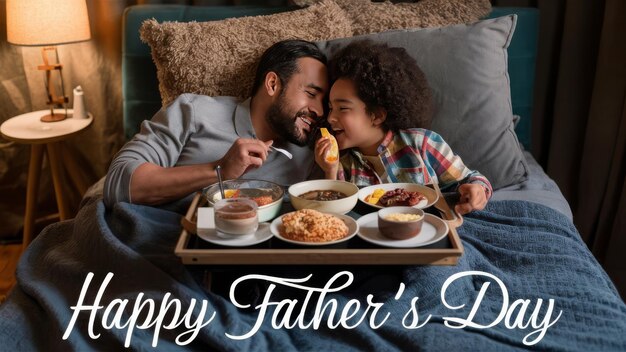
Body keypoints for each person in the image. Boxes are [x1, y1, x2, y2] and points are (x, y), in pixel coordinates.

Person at [104, 40, 328, 206]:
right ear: (272, 84)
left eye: (324, 102)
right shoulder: (193, 111)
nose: (319, 110)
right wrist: (217, 170)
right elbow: (119, 184)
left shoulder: (313, 154)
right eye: (310, 93)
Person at [315, 40, 492, 215]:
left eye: (343, 108)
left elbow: (471, 179)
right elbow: (333, 215)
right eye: (330, 108)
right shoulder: (342, 163)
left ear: (376, 115)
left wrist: (477, 190)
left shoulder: (422, 143)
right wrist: (329, 169)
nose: (330, 118)